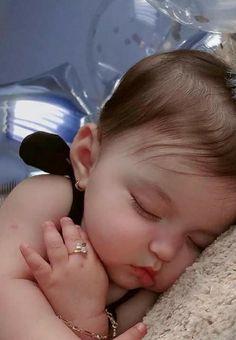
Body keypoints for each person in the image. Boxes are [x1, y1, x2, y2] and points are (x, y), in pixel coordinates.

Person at [1, 49, 236, 340]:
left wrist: (86, 317)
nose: (167, 251)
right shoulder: (50, 199)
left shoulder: (144, 297)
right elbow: (4, 286)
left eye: (198, 242)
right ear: (88, 160)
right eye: (146, 208)